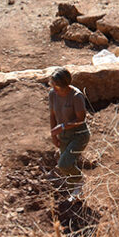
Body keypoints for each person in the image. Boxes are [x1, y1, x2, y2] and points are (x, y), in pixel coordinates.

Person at [48, 67, 90, 200]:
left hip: (79, 135)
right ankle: (77, 195)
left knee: (64, 164)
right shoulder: (52, 94)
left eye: (56, 86)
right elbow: (52, 115)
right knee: (69, 164)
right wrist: (54, 134)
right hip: (63, 135)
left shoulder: (76, 96)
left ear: (64, 85)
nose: (53, 88)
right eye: (52, 85)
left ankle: (80, 181)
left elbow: (80, 119)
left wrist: (63, 127)